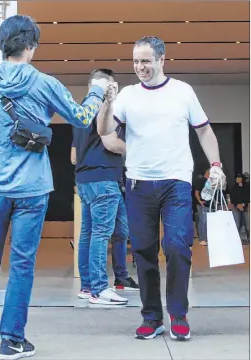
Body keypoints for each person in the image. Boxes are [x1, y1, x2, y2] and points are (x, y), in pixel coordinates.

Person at [0, 15, 108, 360]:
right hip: (32, 190)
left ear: (2, 45)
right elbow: (82, 118)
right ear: (31, 46)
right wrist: (97, 90)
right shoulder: (44, 83)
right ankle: (12, 341)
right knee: (22, 263)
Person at [96, 36, 226, 341]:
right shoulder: (127, 96)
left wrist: (216, 165)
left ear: (161, 59)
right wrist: (106, 104)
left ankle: (178, 313)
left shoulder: (182, 92)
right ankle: (152, 317)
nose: (141, 67)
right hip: (139, 185)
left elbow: (204, 131)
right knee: (143, 251)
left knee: (178, 246)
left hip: (176, 183)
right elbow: (104, 130)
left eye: (146, 60)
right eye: (136, 61)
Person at [72, 69, 139, 305]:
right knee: (101, 233)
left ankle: (87, 286)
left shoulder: (80, 112)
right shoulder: (104, 109)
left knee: (88, 234)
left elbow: (73, 156)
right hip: (104, 179)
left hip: (84, 179)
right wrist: (140, 148)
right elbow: (110, 143)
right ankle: (100, 289)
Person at [230, 173, 250, 244]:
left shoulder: (247, 187)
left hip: (245, 207)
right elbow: (232, 198)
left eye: (239, 178)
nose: (237, 179)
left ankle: (248, 238)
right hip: (236, 207)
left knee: (247, 224)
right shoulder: (234, 187)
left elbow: (248, 197)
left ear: (242, 179)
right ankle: (236, 239)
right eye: (236, 178)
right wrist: (237, 205)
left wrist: (243, 205)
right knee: (237, 223)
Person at [194, 169, 210, 246]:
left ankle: (206, 238)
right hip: (202, 204)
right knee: (203, 221)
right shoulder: (201, 181)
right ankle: (202, 239)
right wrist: (200, 201)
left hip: (209, 204)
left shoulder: (209, 182)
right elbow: (196, 192)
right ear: (207, 173)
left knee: (207, 222)